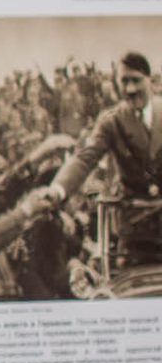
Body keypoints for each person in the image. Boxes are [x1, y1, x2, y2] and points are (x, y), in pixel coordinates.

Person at [52, 51, 162, 262]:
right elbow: (84, 158)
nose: (130, 89)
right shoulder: (111, 121)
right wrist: (57, 190)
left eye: (136, 80)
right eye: (124, 81)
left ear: (149, 79)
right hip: (135, 232)